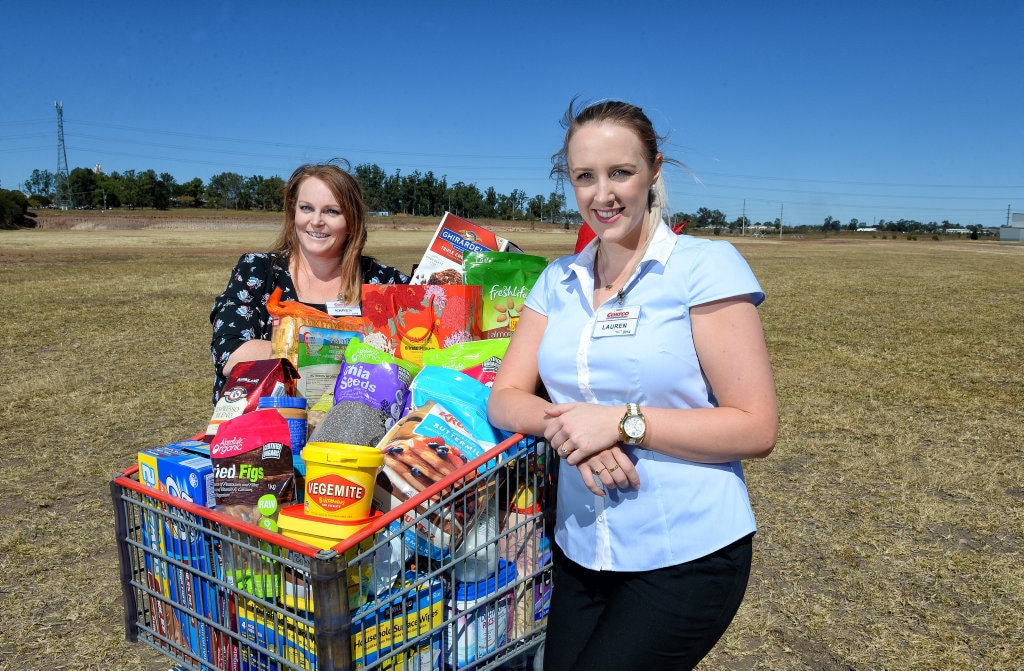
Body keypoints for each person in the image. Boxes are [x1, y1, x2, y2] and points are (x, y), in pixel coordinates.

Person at [487, 100, 778, 671]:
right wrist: (574, 428)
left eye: (620, 172)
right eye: (585, 177)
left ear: (654, 171)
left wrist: (622, 422)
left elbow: (755, 425)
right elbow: (506, 395)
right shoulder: (556, 280)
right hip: (580, 548)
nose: (603, 195)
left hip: (686, 553)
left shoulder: (703, 267)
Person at [210, 162, 408, 403]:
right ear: (293, 212)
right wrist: (350, 357)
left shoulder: (384, 283)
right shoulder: (257, 271)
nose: (316, 221)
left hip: (353, 433)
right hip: (268, 428)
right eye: (306, 208)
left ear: (352, 220)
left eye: (331, 211)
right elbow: (230, 353)